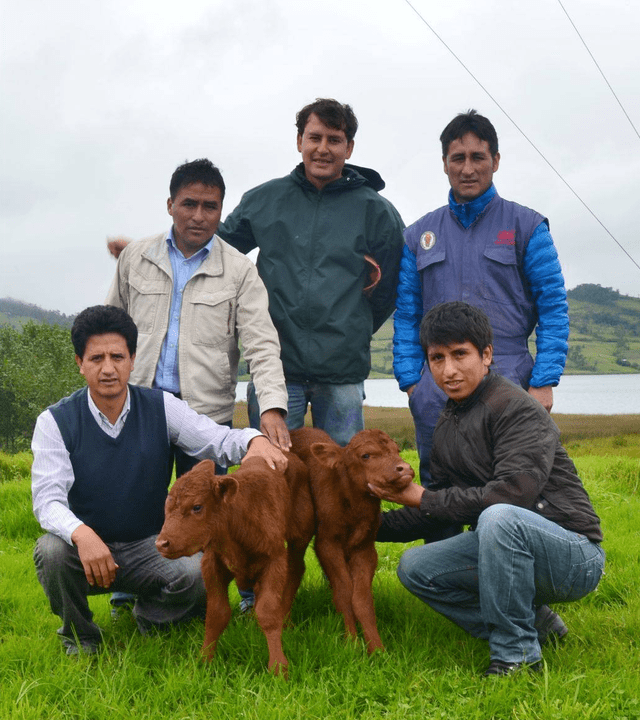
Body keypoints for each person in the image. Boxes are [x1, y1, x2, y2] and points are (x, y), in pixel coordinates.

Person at [31, 305, 286, 655]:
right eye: (96, 358)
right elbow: (47, 501)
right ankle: (81, 638)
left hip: (150, 545)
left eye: (118, 356)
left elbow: (215, 439)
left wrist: (253, 440)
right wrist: (82, 534)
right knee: (51, 551)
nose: (108, 368)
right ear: (80, 362)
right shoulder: (55, 422)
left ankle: (151, 619)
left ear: (133, 359)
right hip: (87, 549)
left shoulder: (160, 407)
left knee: (196, 572)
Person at [370, 302, 604, 677]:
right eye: (437, 357)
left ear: (487, 355)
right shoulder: (447, 423)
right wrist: (362, 522)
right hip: (506, 546)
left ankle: (517, 654)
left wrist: (422, 496)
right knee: (417, 567)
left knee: (498, 516)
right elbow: (435, 509)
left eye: (460, 354)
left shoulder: (519, 409)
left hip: (573, 555)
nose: (449, 370)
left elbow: (513, 496)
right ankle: (538, 626)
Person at [393, 109, 569, 487]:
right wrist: (413, 381)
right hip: (437, 386)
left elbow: (553, 308)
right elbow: (407, 315)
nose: (468, 168)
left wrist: (543, 381)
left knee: (510, 493)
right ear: (444, 164)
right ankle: (442, 549)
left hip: (509, 382)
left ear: (496, 161)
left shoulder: (528, 227)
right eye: (458, 158)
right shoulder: (419, 235)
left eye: (478, 157)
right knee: (439, 494)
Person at [217, 98, 404, 446]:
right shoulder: (264, 200)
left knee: (342, 477)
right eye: (314, 137)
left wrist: (354, 326)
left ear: (348, 147)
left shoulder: (376, 211)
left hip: (342, 374)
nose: (322, 149)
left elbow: (393, 286)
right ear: (299, 140)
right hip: (275, 369)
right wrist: (151, 248)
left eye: (334, 140)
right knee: (273, 474)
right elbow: (216, 252)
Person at [105, 158, 289, 480]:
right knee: (138, 512)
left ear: (221, 210)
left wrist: (271, 407)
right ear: (170, 205)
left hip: (207, 419)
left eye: (210, 206)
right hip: (142, 408)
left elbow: (262, 345)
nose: (199, 216)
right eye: (189, 204)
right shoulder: (136, 258)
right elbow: (109, 331)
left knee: (206, 519)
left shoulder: (240, 271)